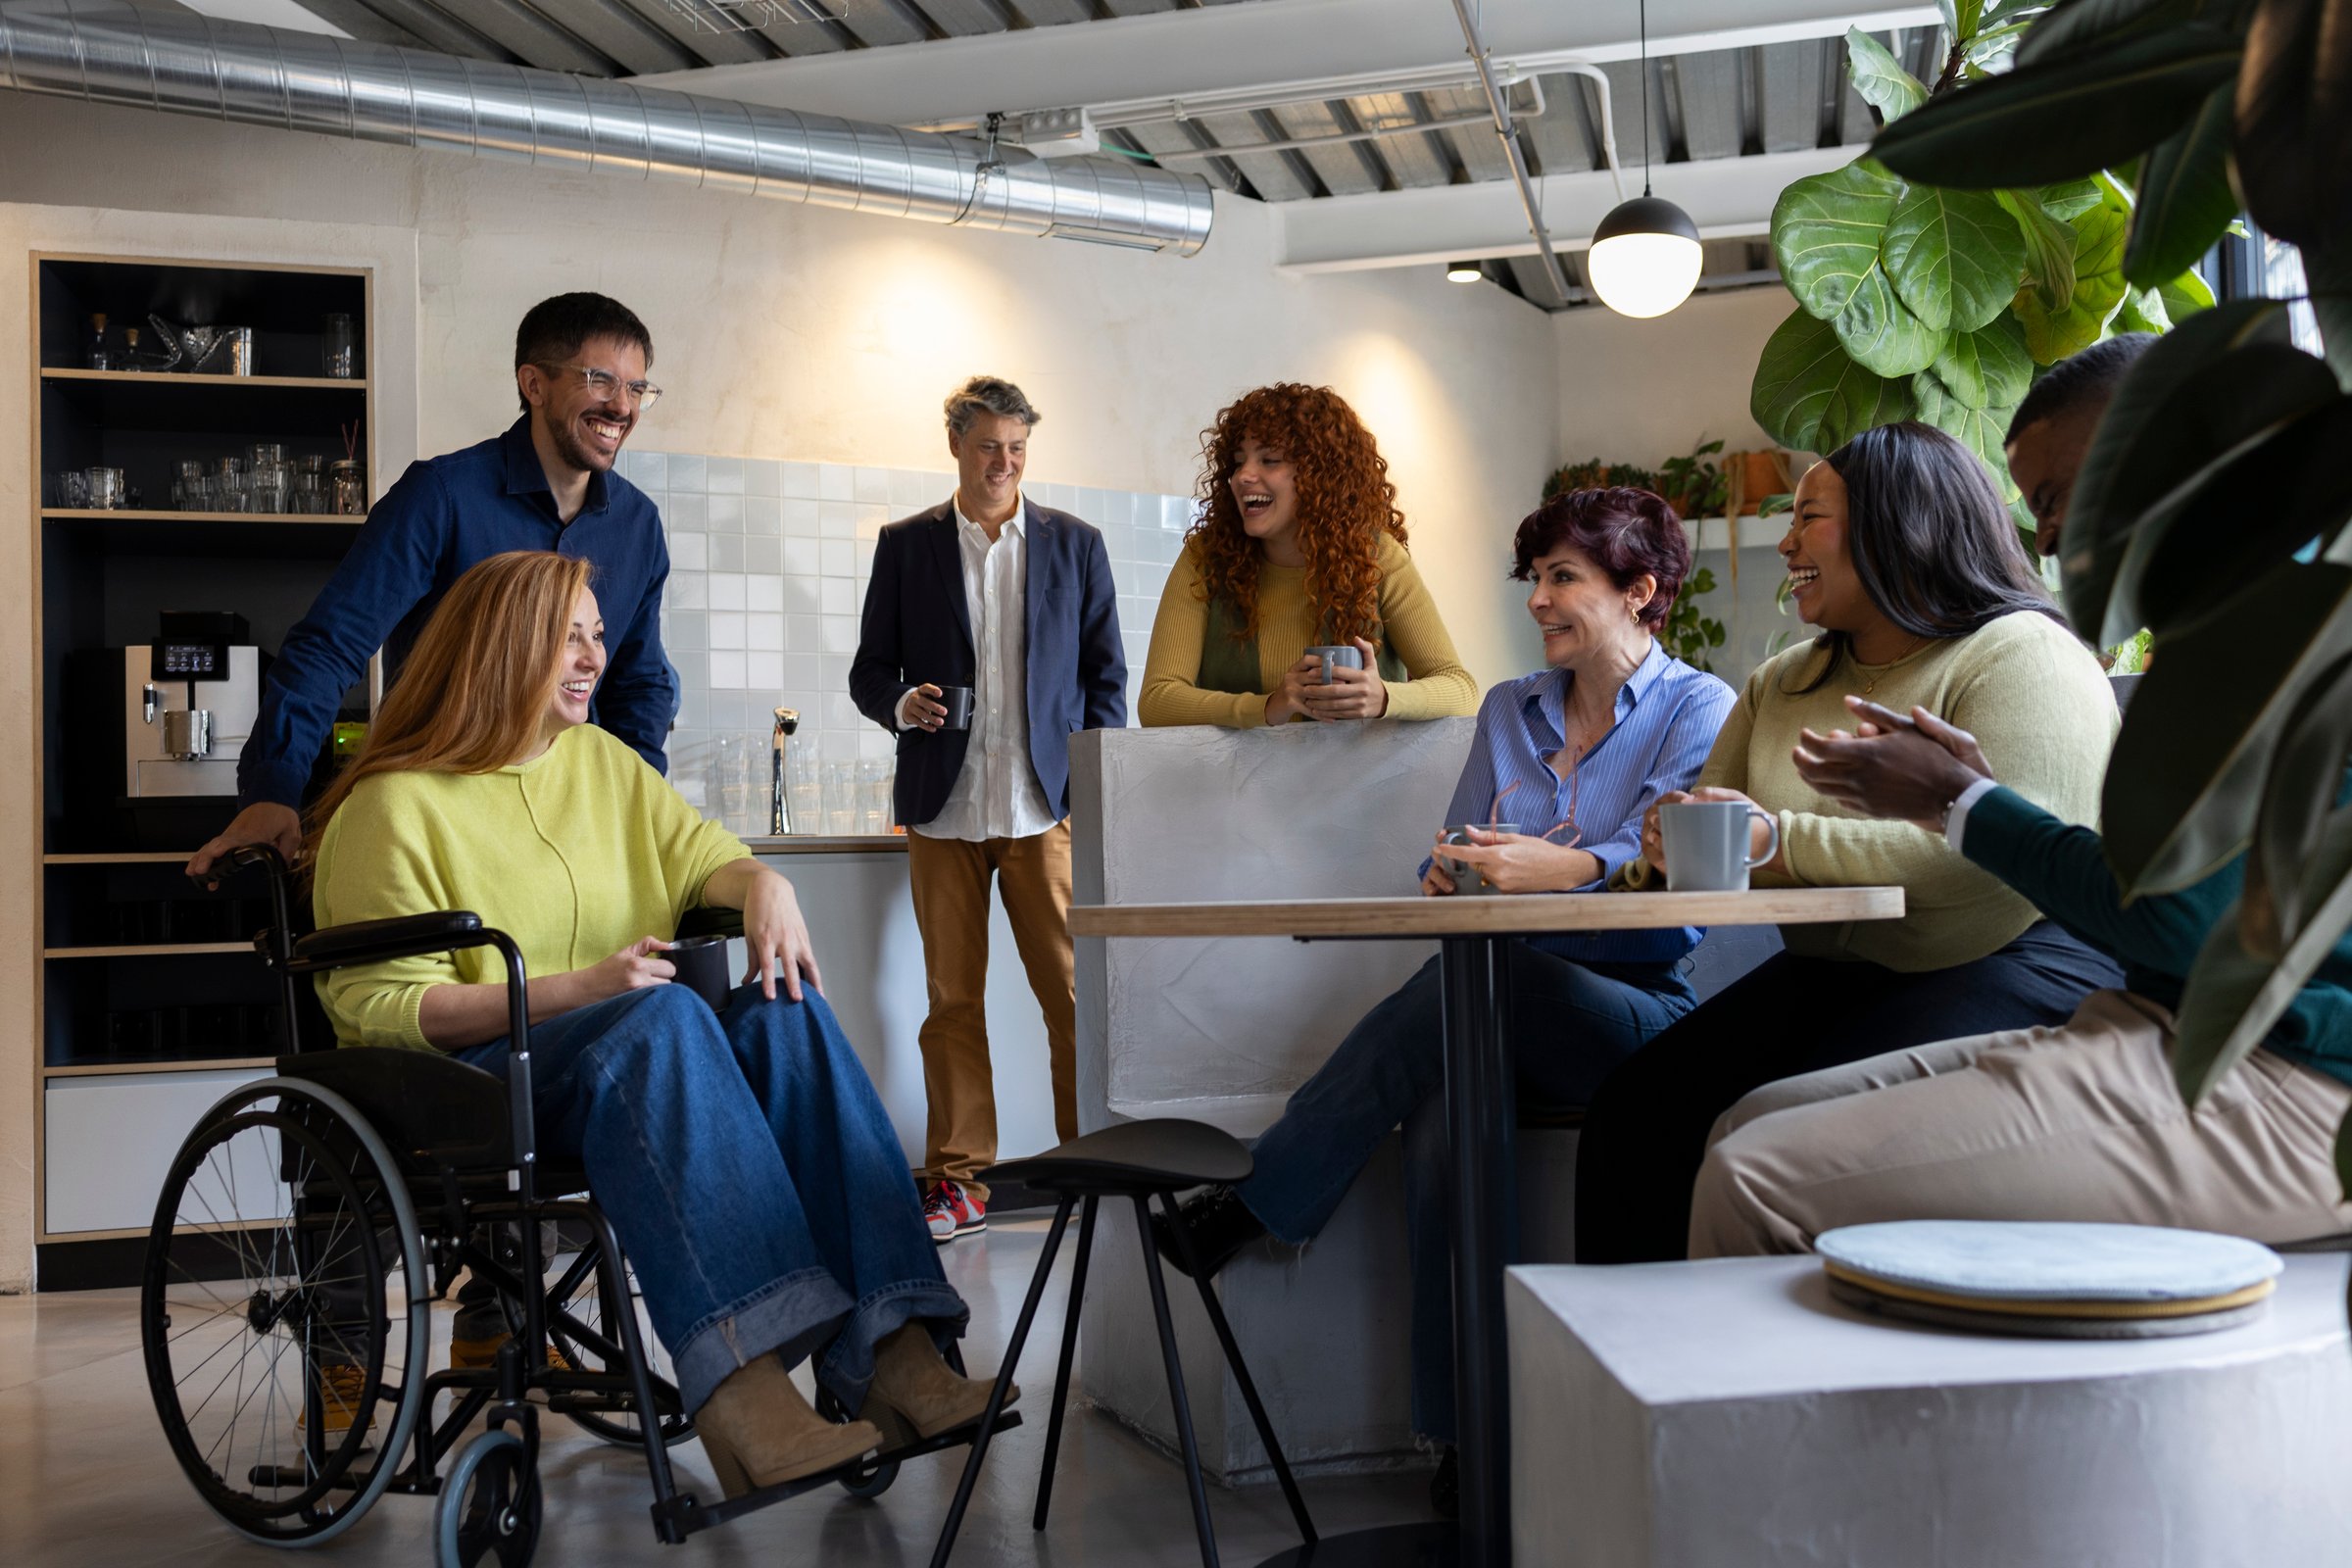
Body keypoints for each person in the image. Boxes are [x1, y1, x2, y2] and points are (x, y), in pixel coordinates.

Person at [309, 551, 1007, 1494]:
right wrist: (579, 991)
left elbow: (700, 856)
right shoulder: (391, 807)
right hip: (478, 1081)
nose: (593, 655)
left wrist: (763, 883)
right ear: (499, 645)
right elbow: (378, 1008)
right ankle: (743, 1392)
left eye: (598, 634)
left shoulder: (601, 763)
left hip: (622, 1047)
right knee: (663, 1017)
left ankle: (900, 1352)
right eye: (567, 635)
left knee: (780, 1009)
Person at [1686, 350, 2352, 1257]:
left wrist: (1964, 804)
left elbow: (2172, 918)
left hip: (2294, 1073)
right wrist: (1968, 799)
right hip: (2168, 1023)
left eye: (2053, 497)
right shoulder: (2223, 631)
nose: (2043, 538)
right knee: (1742, 1123)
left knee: (1752, 1176)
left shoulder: (2290, 632)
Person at [1152, 487, 1735, 1471]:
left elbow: (1677, 905)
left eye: (1563, 579)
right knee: (1444, 1115)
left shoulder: (1698, 708)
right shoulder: (1509, 707)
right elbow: (1458, 852)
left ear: (1642, 592)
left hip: (1636, 1019)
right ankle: (1471, 1438)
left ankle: (1261, 1195)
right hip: (1496, 994)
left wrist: (1569, 867)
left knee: (1479, 995)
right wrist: (1450, 872)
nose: (1537, 601)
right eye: (1534, 580)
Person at [188, 291, 679, 1376]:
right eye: (600, 380)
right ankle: (344, 1358)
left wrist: (627, 809)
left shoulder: (635, 526)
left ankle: (497, 1323)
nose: (621, 405)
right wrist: (274, 789)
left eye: (637, 386)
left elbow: (642, 684)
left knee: (559, 1042)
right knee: (359, 1073)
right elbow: (328, 648)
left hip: (545, 834)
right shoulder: (445, 495)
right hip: (426, 824)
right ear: (535, 382)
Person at [1573, 420, 2128, 1265]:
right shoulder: (1781, 681)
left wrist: (1771, 837)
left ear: (1897, 523)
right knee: (1635, 1114)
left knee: (1782, 1133)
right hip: (1841, 969)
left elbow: (1997, 856)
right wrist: (1663, 848)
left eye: (1810, 517)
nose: (1788, 541)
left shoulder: (2022, 656)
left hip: (2017, 957)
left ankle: (1769, 1377)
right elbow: (1718, 842)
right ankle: (1631, 1381)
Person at [849, 376, 1126, 1244]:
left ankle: (1095, 1168)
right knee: (950, 1002)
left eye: (1016, 449)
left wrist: (1088, 790)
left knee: (1075, 996)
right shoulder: (906, 546)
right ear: (956, 447)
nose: (1003, 463)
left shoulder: (1076, 545)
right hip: (943, 810)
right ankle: (960, 1180)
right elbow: (868, 672)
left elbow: (1106, 682)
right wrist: (902, 705)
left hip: (1044, 809)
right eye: (987, 447)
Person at [1138, 382, 1478, 728]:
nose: (1243, 476)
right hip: (1234, 783)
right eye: (1238, 463)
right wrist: (1270, 706)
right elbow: (1157, 701)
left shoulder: (1377, 557)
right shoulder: (1205, 558)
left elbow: (1459, 689)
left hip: (1364, 781)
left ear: (1322, 478)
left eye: (1269, 460)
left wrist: (1384, 698)